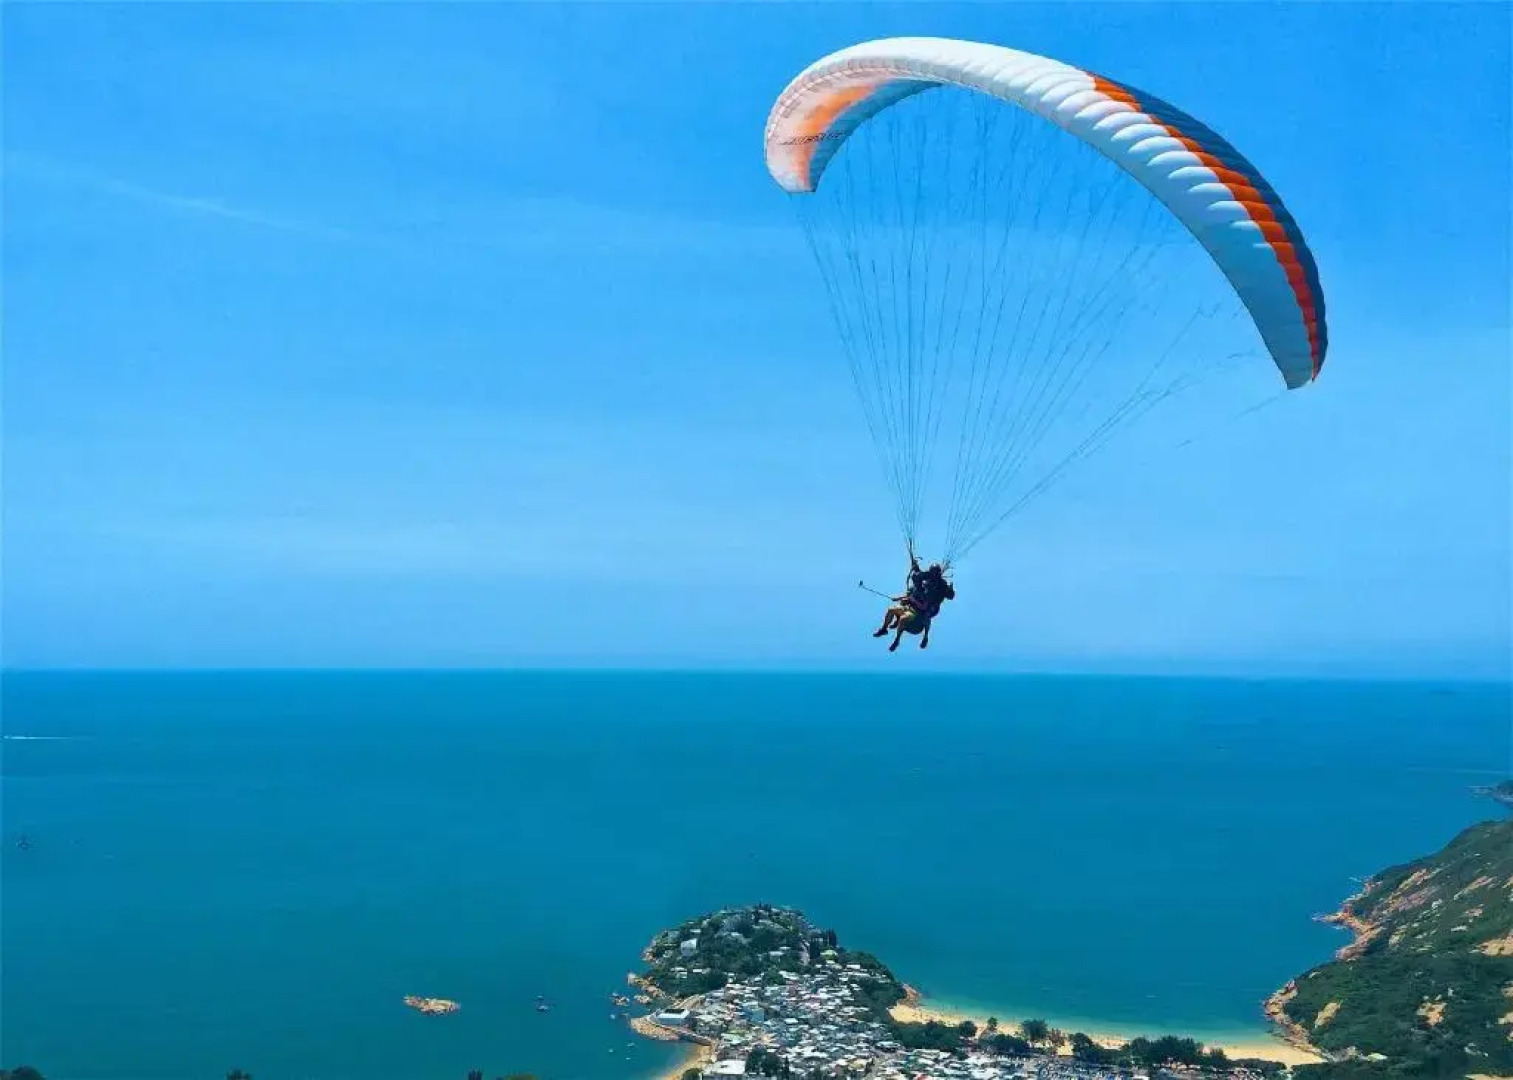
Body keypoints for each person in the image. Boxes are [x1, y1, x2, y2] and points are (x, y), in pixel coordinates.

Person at [872, 554, 954, 650]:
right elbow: (916, 576)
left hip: (922, 610)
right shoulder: (920, 584)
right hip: (911, 608)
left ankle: (898, 640)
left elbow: (925, 605)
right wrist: (915, 564)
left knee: (905, 618)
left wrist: (949, 590)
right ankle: (884, 629)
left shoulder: (934, 589)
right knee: (891, 609)